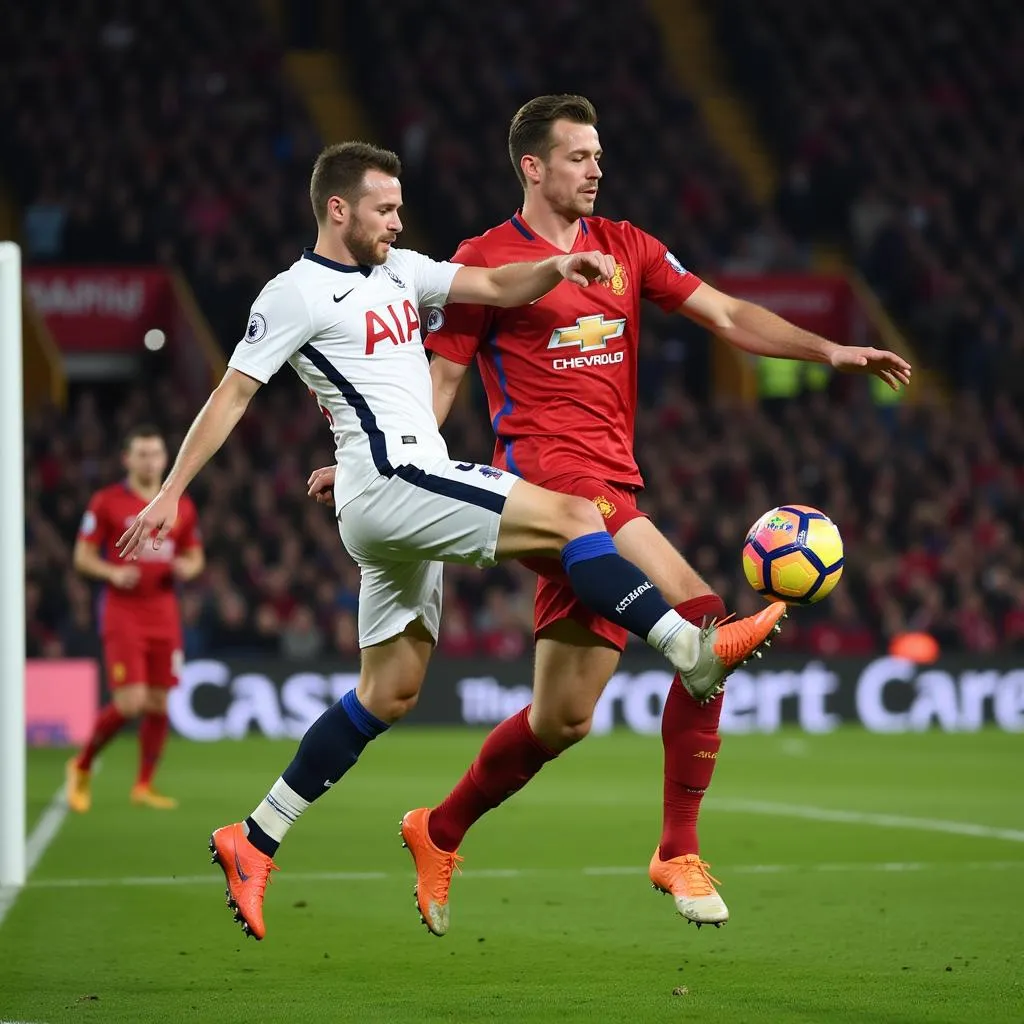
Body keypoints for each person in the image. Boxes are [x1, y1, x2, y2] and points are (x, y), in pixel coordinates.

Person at [116, 141, 786, 941]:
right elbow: (232, 395)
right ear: (338, 210)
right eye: (384, 209)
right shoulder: (293, 294)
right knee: (577, 516)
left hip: (393, 503)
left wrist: (557, 272)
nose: (398, 222)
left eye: (400, 208)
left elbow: (499, 282)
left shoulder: (403, 271)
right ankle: (687, 646)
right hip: (393, 482)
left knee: (389, 691)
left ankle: (255, 837)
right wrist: (171, 490)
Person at [358, 94, 909, 937]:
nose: (596, 169)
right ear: (533, 166)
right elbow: (438, 387)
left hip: (616, 486)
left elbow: (725, 313)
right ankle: (675, 850)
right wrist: (380, 459)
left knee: (562, 720)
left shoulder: (628, 248)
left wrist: (828, 349)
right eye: (579, 156)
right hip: (550, 491)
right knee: (701, 619)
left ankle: (437, 829)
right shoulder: (485, 264)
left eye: (600, 155)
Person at [65, 425, 205, 812]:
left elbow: (196, 557)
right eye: (141, 454)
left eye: (156, 453)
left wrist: (184, 568)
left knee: (159, 704)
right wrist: (111, 573)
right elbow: (82, 557)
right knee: (130, 703)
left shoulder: (180, 504)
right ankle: (81, 764)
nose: (149, 461)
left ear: (165, 458)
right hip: (123, 612)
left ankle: (143, 785)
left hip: (163, 612)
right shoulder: (106, 502)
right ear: (127, 459)